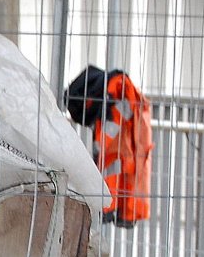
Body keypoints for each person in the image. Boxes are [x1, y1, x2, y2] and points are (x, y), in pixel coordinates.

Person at [65, 65, 153, 227]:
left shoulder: (122, 95)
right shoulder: (127, 96)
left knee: (114, 157)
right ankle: (112, 206)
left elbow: (106, 150)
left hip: (108, 196)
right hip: (109, 196)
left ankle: (110, 206)